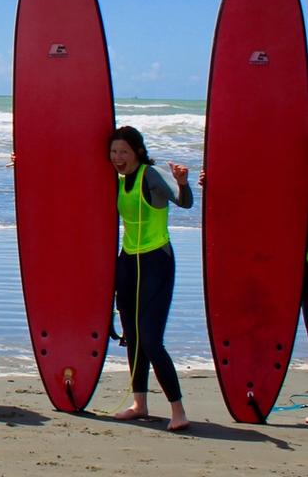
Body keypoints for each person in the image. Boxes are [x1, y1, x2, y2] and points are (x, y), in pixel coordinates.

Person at [109, 125, 192, 432]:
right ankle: (139, 403)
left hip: (156, 260)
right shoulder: (116, 180)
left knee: (152, 339)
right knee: (131, 335)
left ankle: (178, 411)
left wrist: (183, 184)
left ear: (138, 152)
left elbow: (183, 202)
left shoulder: (150, 175)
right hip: (128, 260)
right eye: (114, 152)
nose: (118, 157)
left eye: (124, 152)